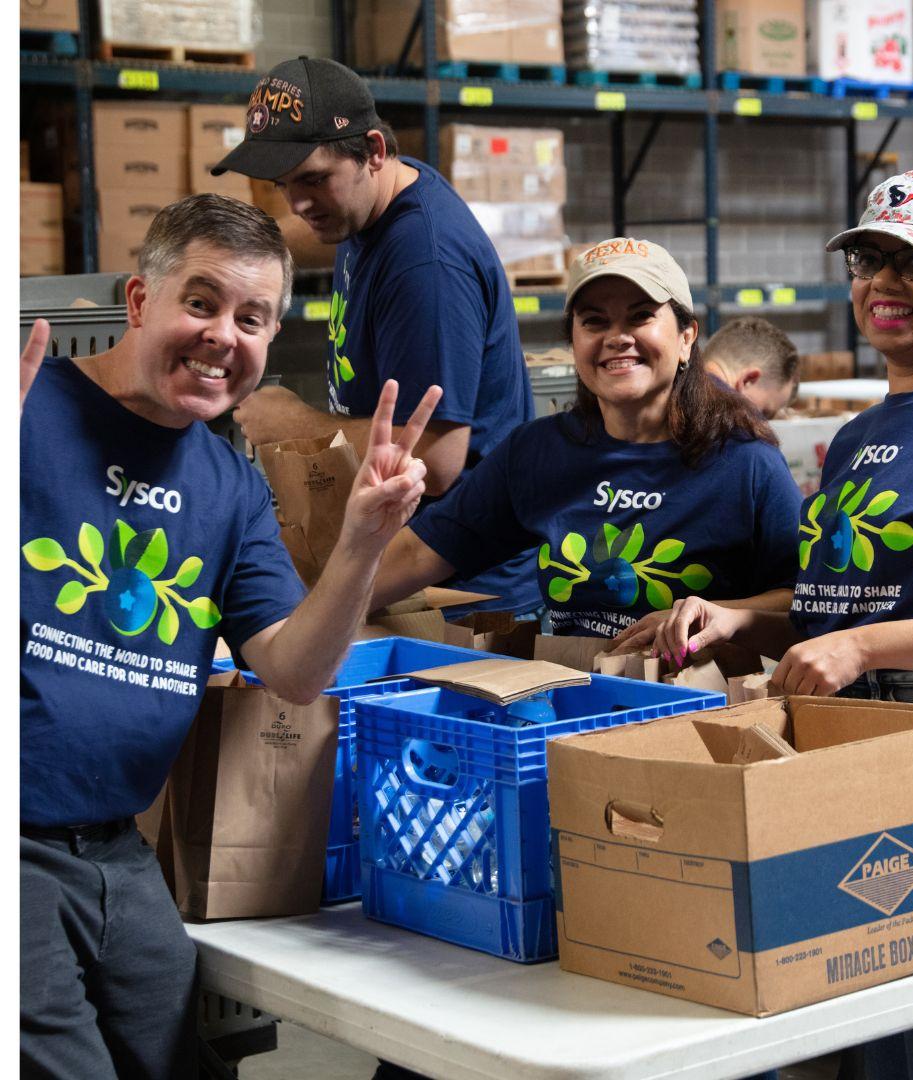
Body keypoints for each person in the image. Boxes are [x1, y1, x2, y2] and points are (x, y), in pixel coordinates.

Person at [614, 169, 913, 1080]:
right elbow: (851, 600)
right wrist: (741, 616)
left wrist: (859, 646)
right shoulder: (868, 429)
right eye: (871, 259)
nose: (885, 283)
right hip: (878, 736)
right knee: (878, 1027)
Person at [20, 193, 439, 1079]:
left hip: (111, 847)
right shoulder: (25, 412)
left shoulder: (229, 482)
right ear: (139, 302)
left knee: (182, 1059)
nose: (224, 336)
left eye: (253, 318)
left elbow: (292, 670)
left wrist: (361, 544)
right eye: (202, 302)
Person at [210, 55, 539, 618]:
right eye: (285, 185)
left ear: (374, 152)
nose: (301, 203)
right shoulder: (373, 200)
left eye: (314, 180)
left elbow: (436, 460)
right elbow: (309, 229)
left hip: (459, 595)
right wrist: (226, 256)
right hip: (401, 556)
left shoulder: (426, 267)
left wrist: (297, 424)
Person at [366, 237, 803, 640]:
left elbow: (800, 597)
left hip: (699, 709)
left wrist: (721, 613)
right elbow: (418, 554)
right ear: (574, 342)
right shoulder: (538, 453)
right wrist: (308, 618)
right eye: (594, 321)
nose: (617, 337)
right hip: (574, 699)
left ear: (686, 337)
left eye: (641, 315)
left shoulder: (745, 462)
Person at [702, 315, 799, 419]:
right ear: (747, 380)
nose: (764, 425)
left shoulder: (686, 398)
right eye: (765, 414)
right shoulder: (732, 431)